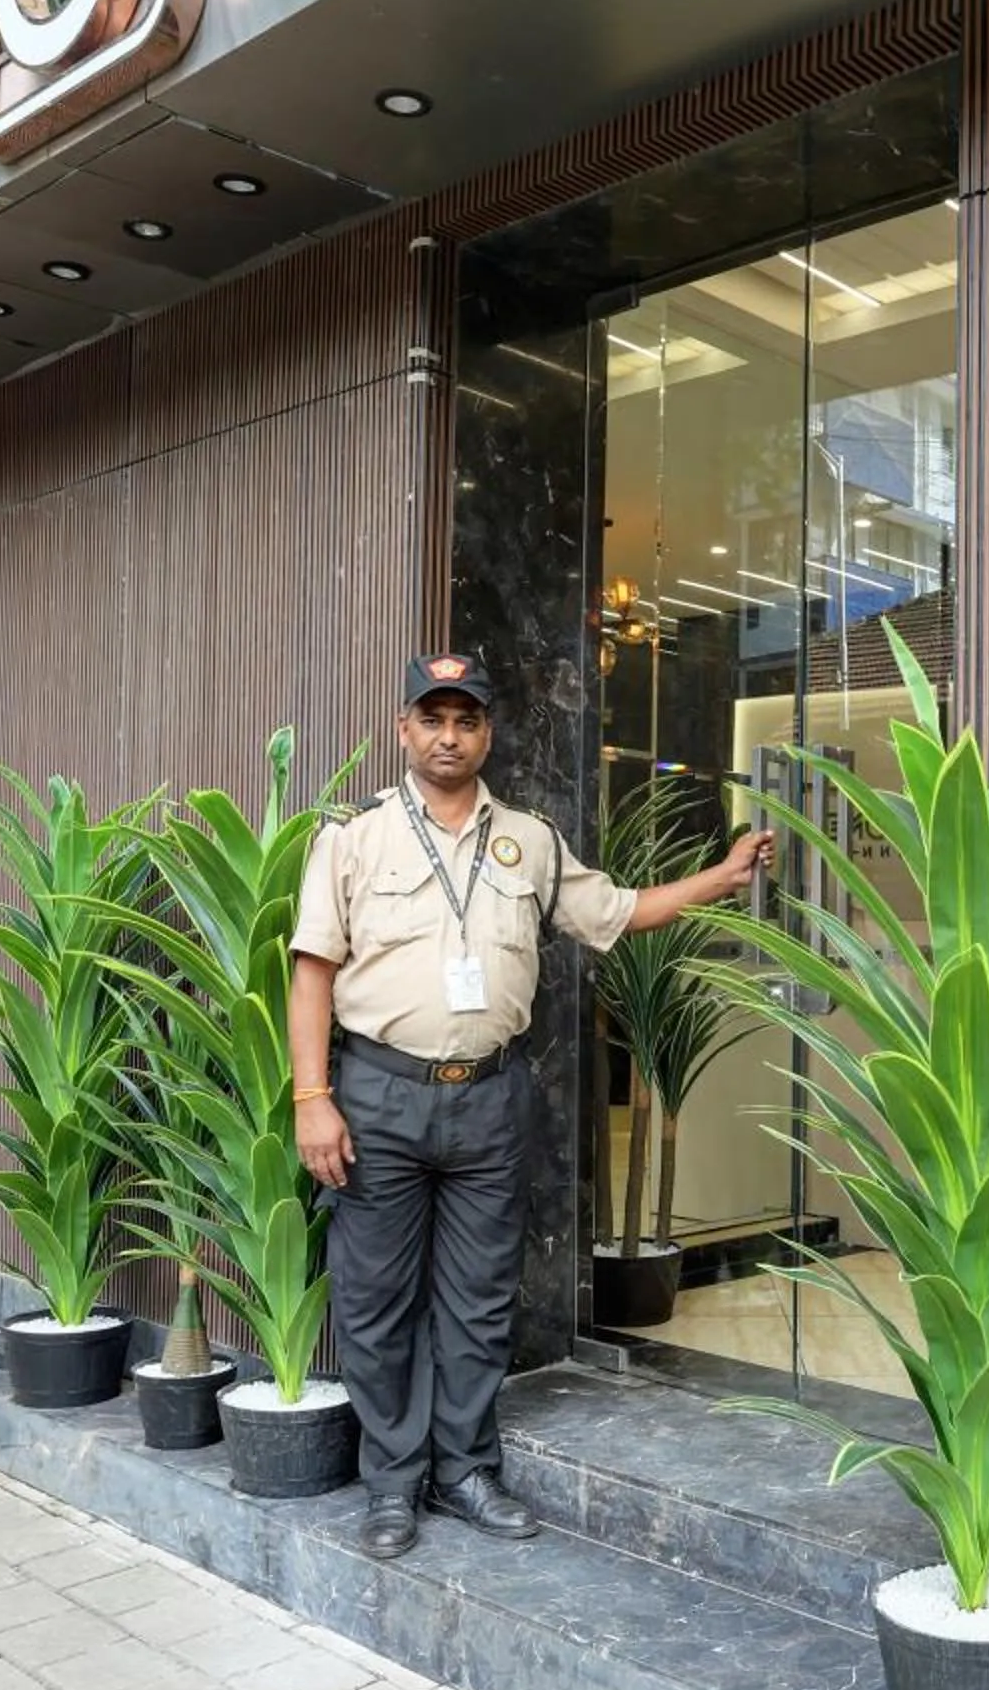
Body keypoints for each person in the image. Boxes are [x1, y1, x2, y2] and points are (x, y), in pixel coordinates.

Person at [289, 653, 771, 1559]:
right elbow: (311, 972)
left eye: (466, 720)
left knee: (477, 1301)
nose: (448, 735)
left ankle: (466, 1469)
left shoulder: (531, 841)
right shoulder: (352, 841)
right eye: (432, 718)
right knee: (375, 1300)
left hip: (490, 1100)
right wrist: (314, 1100)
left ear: (487, 733)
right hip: (379, 1097)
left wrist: (720, 878)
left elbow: (618, 912)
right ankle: (392, 1484)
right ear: (404, 730)